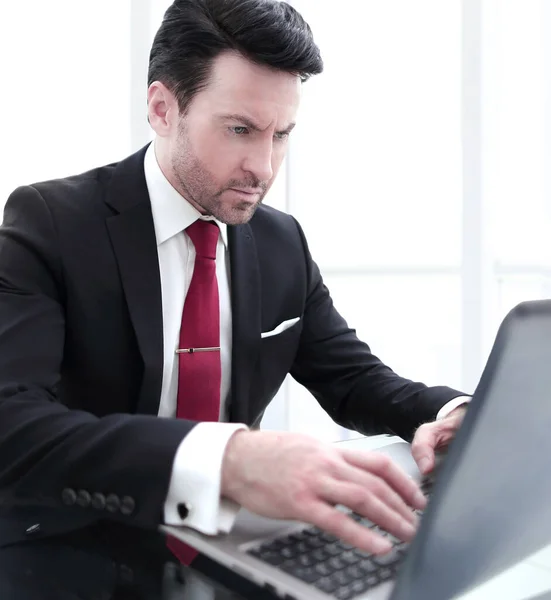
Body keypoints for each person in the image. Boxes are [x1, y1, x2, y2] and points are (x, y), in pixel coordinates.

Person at [0, 0, 469, 558]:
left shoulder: (280, 242)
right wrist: (230, 459)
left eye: (281, 135)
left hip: (230, 550)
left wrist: (449, 414)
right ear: (161, 109)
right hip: (72, 548)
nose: (264, 168)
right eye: (240, 130)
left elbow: (352, 378)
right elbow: (13, 420)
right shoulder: (51, 222)